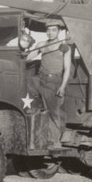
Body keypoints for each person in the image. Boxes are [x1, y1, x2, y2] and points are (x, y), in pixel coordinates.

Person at [26, 19, 71, 149]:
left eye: (53, 30)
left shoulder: (64, 47)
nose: (50, 33)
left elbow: (67, 69)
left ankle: (55, 141)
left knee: (54, 111)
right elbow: (29, 57)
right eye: (48, 30)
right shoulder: (42, 44)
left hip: (54, 81)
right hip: (40, 79)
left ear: (59, 31)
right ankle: (36, 137)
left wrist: (62, 87)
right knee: (25, 89)